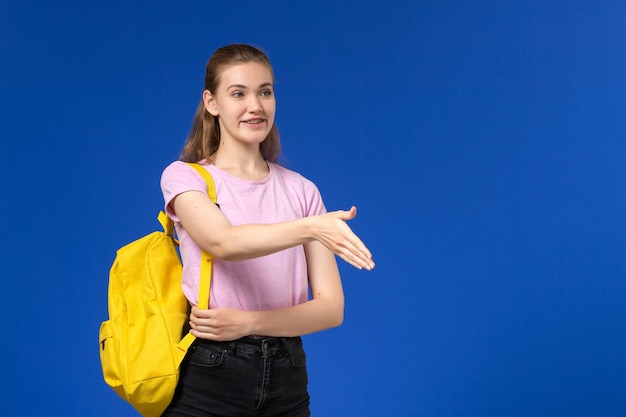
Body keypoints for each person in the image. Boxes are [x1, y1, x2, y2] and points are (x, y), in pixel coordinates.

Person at [160, 43, 374, 417]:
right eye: (238, 93)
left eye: (265, 92)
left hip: (286, 372)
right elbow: (223, 241)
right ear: (212, 102)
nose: (255, 105)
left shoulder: (302, 190)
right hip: (211, 370)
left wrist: (250, 323)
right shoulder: (185, 177)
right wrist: (312, 227)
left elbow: (330, 309)